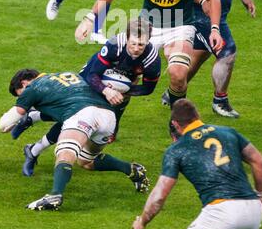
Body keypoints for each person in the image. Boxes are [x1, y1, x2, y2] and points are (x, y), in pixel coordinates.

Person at [75, 0, 223, 109]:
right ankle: (109, 118)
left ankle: (176, 119)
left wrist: (215, 29)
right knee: (125, 72)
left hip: (181, 26)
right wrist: (90, 18)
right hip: (147, 26)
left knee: (178, 74)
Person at [10, 18, 161, 176]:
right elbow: (92, 75)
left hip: (118, 92)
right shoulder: (114, 45)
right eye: (133, 43)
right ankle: (33, 148)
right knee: (72, 118)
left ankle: (33, 122)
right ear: (126, 36)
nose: (136, 48)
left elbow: (147, 88)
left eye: (141, 44)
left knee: (90, 125)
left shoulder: (152, 60)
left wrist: (124, 92)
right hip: (90, 79)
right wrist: (106, 90)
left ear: (148, 41)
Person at [0, 69, 150, 210]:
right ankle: (133, 170)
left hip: (83, 115)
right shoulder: (69, 76)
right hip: (108, 117)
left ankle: (54, 195)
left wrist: (9, 123)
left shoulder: (34, 87)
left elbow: (4, 124)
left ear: (24, 83)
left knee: (65, 152)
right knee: (86, 161)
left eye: (20, 94)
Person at [132, 99, 262, 229]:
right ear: (197, 116)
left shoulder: (176, 149)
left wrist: (142, 221)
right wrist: (260, 194)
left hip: (221, 211)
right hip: (252, 208)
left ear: (175, 124)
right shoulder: (228, 132)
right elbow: (260, 162)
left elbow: (159, 196)